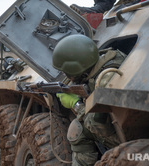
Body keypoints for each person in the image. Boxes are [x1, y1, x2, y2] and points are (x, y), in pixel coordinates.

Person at [52, 34, 127, 165]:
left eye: (66, 71)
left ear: (75, 68)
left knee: (77, 130)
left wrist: (76, 105)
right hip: (131, 123)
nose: (65, 75)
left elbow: (96, 126)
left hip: (127, 136)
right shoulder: (109, 60)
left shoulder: (105, 79)